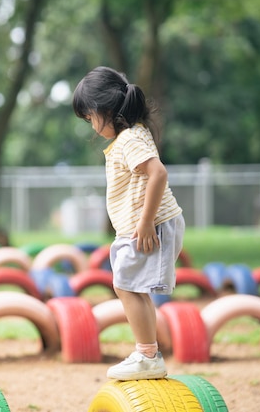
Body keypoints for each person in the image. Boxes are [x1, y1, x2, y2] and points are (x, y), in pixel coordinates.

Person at [72, 66, 185, 380]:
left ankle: (147, 354)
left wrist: (146, 222)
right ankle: (149, 353)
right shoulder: (130, 135)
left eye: (91, 119)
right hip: (147, 225)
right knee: (133, 287)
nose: (92, 127)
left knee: (124, 285)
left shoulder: (130, 139)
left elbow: (158, 173)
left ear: (105, 110)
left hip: (153, 225)